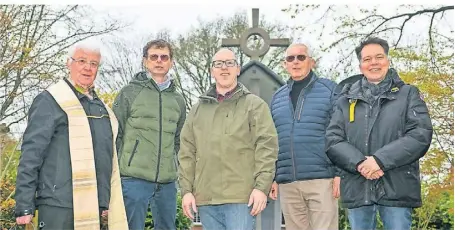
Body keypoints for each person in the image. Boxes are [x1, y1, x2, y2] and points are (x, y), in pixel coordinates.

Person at [14, 40, 127, 230]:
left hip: (94, 206)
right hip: (58, 204)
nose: (87, 68)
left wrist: (104, 200)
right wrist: (24, 205)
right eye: (81, 61)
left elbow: (106, 156)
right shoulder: (50, 101)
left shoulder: (102, 109)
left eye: (93, 63)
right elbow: (31, 154)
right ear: (69, 63)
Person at [325, 37, 433, 230]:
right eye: (367, 59)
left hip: (397, 187)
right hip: (358, 187)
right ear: (360, 66)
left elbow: (420, 134)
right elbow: (333, 140)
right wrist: (360, 163)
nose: (373, 63)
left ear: (387, 61)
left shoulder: (409, 94)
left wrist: (379, 160)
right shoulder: (345, 100)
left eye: (378, 57)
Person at [178, 48, 279, 230]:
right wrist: (186, 191)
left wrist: (261, 187)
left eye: (229, 63)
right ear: (212, 70)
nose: (224, 68)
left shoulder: (254, 106)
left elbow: (267, 148)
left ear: (238, 69)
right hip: (206, 198)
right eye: (218, 64)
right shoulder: (197, 110)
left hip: (241, 198)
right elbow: (187, 152)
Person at [113, 39, 186, 230]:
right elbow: (115, 133)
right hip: (133, 178)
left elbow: (179, 139)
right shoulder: (129, 93)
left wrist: (175, 166)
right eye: (154, 57)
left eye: (164, 57)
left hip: (167, 182)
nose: (159, 61)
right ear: (145, 61)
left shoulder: (178, 100)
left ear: (171, 62)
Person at [268, 43, 340, 230]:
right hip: (288, 182)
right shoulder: (277, 98)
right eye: (290, 58)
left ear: (312, 62)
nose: (296, 62)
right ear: (285, 64)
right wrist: (274, 176)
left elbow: (341, 132)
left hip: (322, 179)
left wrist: (340, 172)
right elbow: (273, 140)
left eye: (301, 57)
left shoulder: (330, 90)